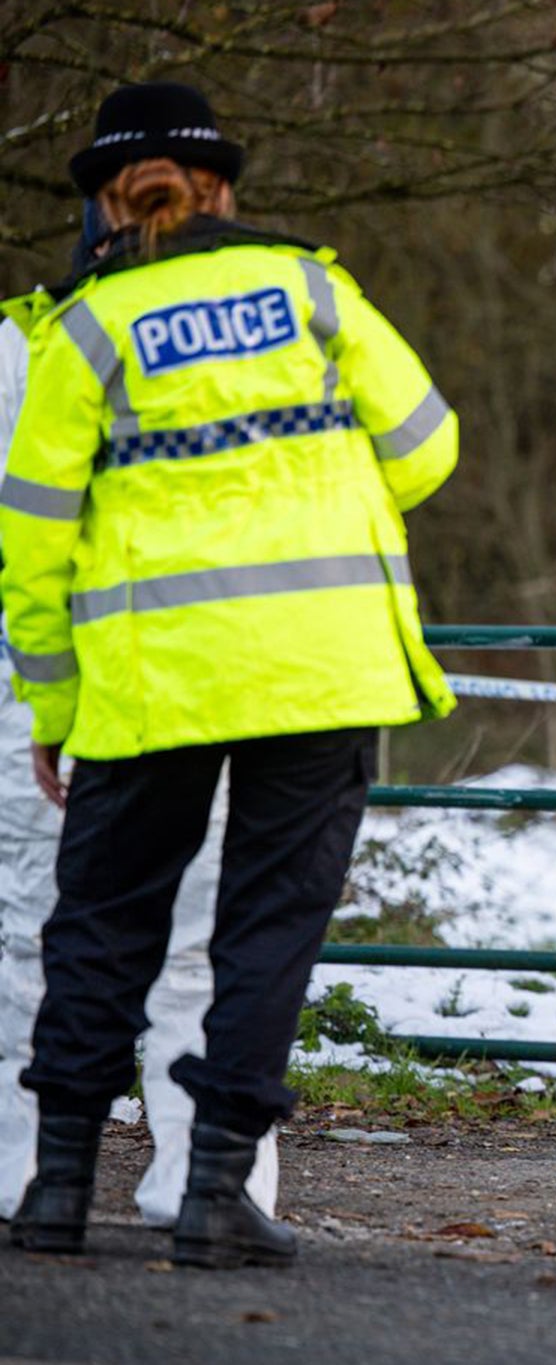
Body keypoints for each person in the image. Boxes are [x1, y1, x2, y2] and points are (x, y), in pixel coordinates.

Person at [3, 81, 457, 1268]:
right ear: (224, 186)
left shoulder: (84, 328)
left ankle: (55, 1192)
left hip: (151, 681)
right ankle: (213, 1194)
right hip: (322, 670)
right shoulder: (311, 288)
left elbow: (33, 539)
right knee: (265, 934)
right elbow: (425, 446)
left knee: (103, 925)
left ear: (104, 199)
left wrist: (56, 705)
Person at [0, 204, 277, 1235]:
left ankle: (39, 1175)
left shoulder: (34, 347)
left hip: (67, 677)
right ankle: (208, 1182)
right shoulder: (256, 333)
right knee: (193, 942)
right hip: (206, 674)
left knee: (42, 933)